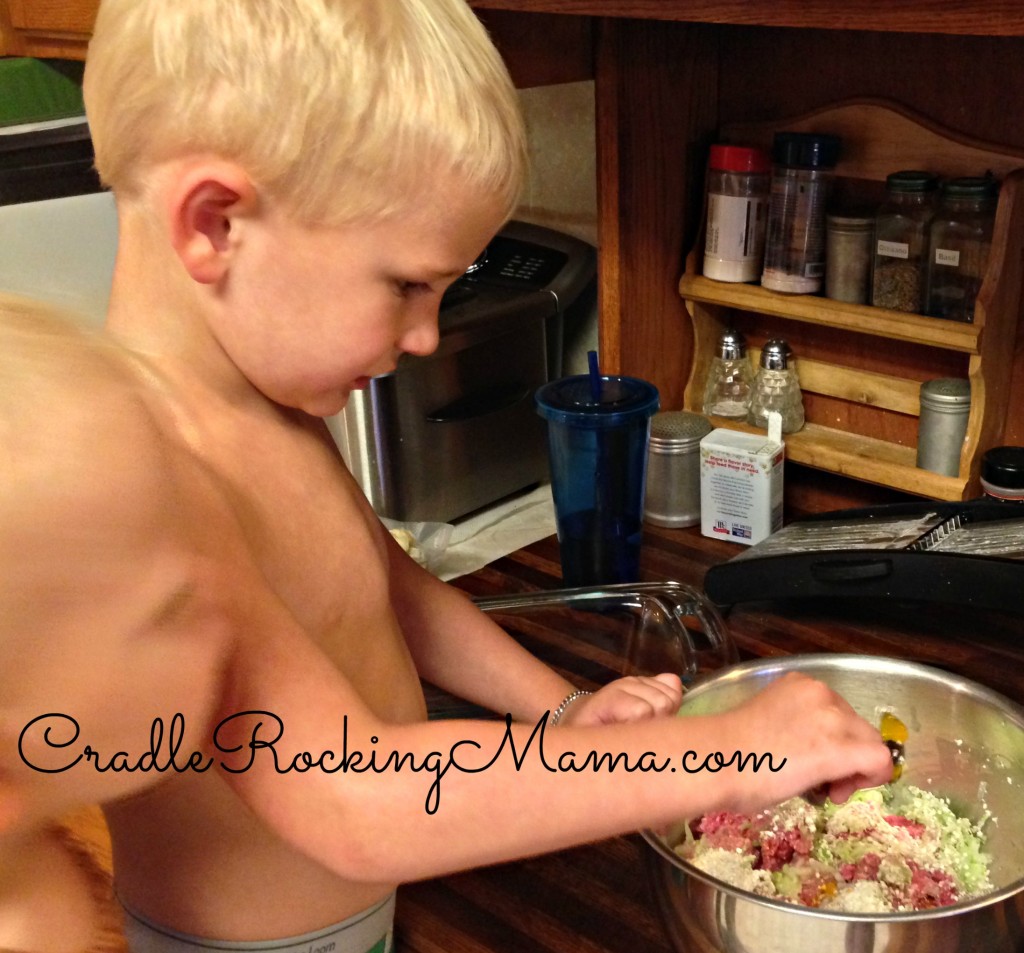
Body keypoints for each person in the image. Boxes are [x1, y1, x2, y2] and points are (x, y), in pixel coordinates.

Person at [7, 0, 893, 949]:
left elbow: (387, 589)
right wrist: (722, 750)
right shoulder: (153, 480)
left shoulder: (270, 406)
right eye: (405, 284)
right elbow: (358, 794)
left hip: (357, 916)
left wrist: (559, 713)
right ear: (216, 223)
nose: (425, 335)